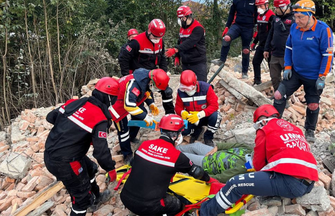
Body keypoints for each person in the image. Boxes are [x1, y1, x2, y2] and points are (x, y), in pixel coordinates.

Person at [199, 105, 318, 216]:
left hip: (291, 182)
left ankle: (203, 212)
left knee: (234, 184)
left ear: (261, 120)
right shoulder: (295, 129)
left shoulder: (265, 129)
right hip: (309, 181)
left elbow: (258, 164)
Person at [44, 77, 118, 216]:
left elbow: (50, 117)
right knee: (81, 199)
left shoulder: (75, 103)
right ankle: (85, 204)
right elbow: (101, 152)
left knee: (90, 168)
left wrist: (72, 128)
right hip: (65, 162)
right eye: (114, 98)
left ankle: (96, 198)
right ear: (109, 98)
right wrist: (110, 168)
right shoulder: (100, 118)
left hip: (51, 152)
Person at [120, 114, 212, 216]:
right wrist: (208, 179)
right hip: (148, 205)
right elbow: (197, 172)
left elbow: (134, 163)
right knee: (178, 205)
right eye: (180, 132)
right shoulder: (176, 156)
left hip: (125, 197)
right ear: (175, 135)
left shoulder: (144, 144)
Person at [273, 0, 333, 142]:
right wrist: (288, 66)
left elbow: (327, 55)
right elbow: (289, 47)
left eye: (301, 17)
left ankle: (310, 130)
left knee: (313, 104)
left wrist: (322, 76)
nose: (297, 20)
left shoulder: (323, 30)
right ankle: (274, 124)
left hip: (314, 76)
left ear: (310, 15)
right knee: (278, 95)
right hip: (296, 72)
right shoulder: (295, 28)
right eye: (295, 16)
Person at [108, 68, 170, 163]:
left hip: (129, 101)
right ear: (151, 82)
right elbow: (129, 105)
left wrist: (151, 104)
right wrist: (145, 117)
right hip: (118, 106)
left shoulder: (146, 79)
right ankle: (127, 154)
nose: (156, 90)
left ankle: (132, 136)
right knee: (123, 130)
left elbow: (146, 92)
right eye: (156, 88)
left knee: (139, 115)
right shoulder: (135, 84)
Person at [118, 19, 174, 114]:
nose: (157, 39)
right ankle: (138, 121)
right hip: (138, 76)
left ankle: (170, 115)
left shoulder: (160, 41)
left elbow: (162, 58)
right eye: (155, 37)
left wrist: (163, 73)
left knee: (167, 91)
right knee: (137, 100)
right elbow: (124, 58)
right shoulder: (136, 42)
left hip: (152, 75)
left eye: (159, 37)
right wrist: (126, 75)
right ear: (149, 31)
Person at [212, 0, 257, 79]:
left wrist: (256, 29)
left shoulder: (255, 1)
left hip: (248, 28)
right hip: (237, 25)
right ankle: (222, 60)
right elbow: (231, 14)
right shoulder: (237, 0)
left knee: (246, 50)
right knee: (226, 38)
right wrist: (227, 26)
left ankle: (244, 72)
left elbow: (257, 16)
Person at [175, 70, 220, 147]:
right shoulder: (180, 92)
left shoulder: (206, 88)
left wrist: (200, 114)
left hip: (205, 116)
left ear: (195, 84)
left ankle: (208, 138)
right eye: (184, 89)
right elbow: (178, 107)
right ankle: (197, 132)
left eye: (188, 88)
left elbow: (214, 105)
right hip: (191, 117)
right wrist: (182, 112)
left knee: (216, 117)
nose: (186, 91)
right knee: (184, 131)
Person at [165, 6, 207, 82]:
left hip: (197, 63)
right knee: (186, 84)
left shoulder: (198, 28)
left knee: (201, 85)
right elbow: (180, 42)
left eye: (179, 18)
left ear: (184, 18)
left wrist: (175, 50)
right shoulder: (182, 28)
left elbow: (190, 42)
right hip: (186, 63)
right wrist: (177, 56)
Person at [177, 142, 253, 183]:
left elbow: (222, 177)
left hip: (207, 164)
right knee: (195, 146)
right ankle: (171, 147)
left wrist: (204, 176)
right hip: (213, 152)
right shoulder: (249, 150)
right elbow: (235, 145)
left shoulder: (242, 168)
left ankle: (168, 155)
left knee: (183, 157)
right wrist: (218, 147)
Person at [264, 0, 294, 92]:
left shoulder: (295, 19)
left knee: (288, 78)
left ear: (283, 8)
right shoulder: (276, 19)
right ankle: (278, 94)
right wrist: (266, 48)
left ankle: (285, 96)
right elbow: (270, 34)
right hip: (275, 53)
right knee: (274, 77)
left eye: (277, 8)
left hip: (288, 55)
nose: (275, 10)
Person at [251, 0, 275, 85]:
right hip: (261, 44)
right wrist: (254, 42)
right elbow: (259, 32)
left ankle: (275, 82)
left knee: (271, 65)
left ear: (266, 5)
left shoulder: (271, 16)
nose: (259, 8)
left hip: (269, 46)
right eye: (257, 6)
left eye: (260, 6)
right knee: (255, 62)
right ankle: (257, 81)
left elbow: (271, 33)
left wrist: (267, 48)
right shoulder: (259, 16)